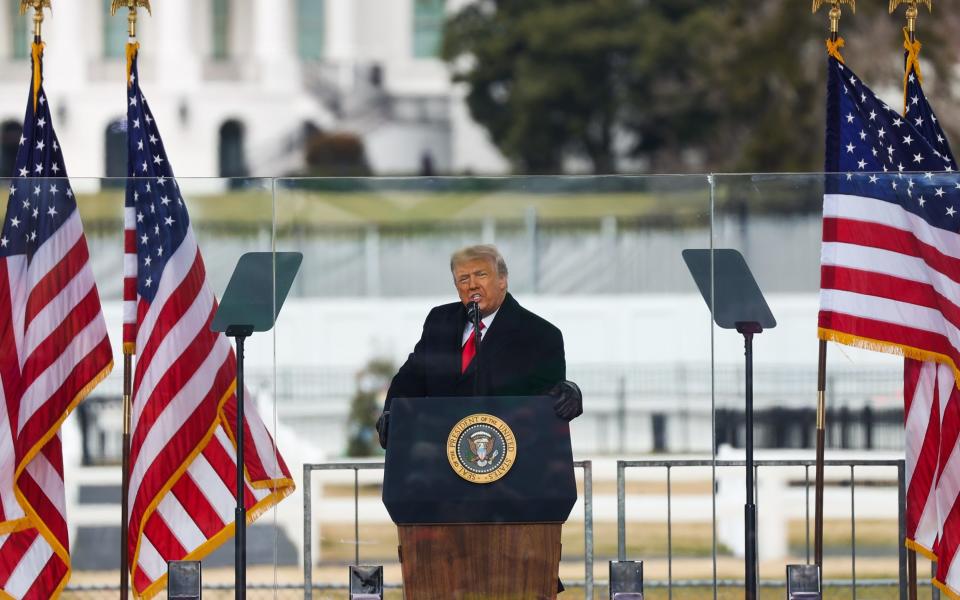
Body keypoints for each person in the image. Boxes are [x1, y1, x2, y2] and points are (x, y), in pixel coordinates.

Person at [376, 244, 581, 449]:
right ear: (457, 287)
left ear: (502, 280)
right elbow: (410, 378)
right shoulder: (439, 321)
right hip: (441, 457)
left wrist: (569, 392)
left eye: (481, 275)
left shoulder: (541, 334)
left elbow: (549, 401)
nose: (472, 285)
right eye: (463, 279)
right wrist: (391, 412)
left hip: (509, 462)